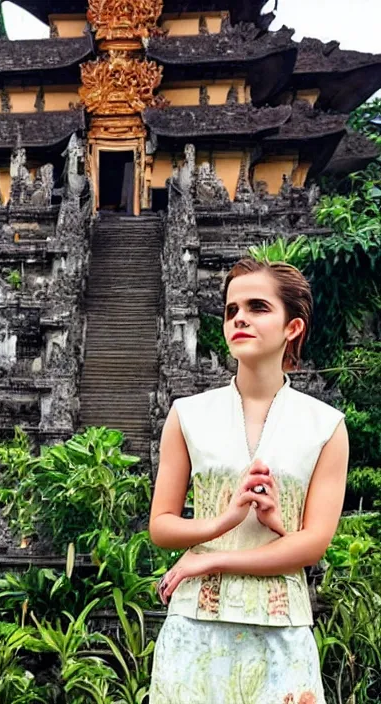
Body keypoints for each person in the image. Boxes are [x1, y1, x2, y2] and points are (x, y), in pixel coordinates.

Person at [148, 257, 349, 704]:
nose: (239, 317)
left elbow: (313, 544)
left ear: (292, 328)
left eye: (258, 307)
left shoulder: (326, 426)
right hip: (195, 626)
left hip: (283, 628)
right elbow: (161, 525)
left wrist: (210, 560)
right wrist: (225, 521)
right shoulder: (188, 415)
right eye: (231, 309)